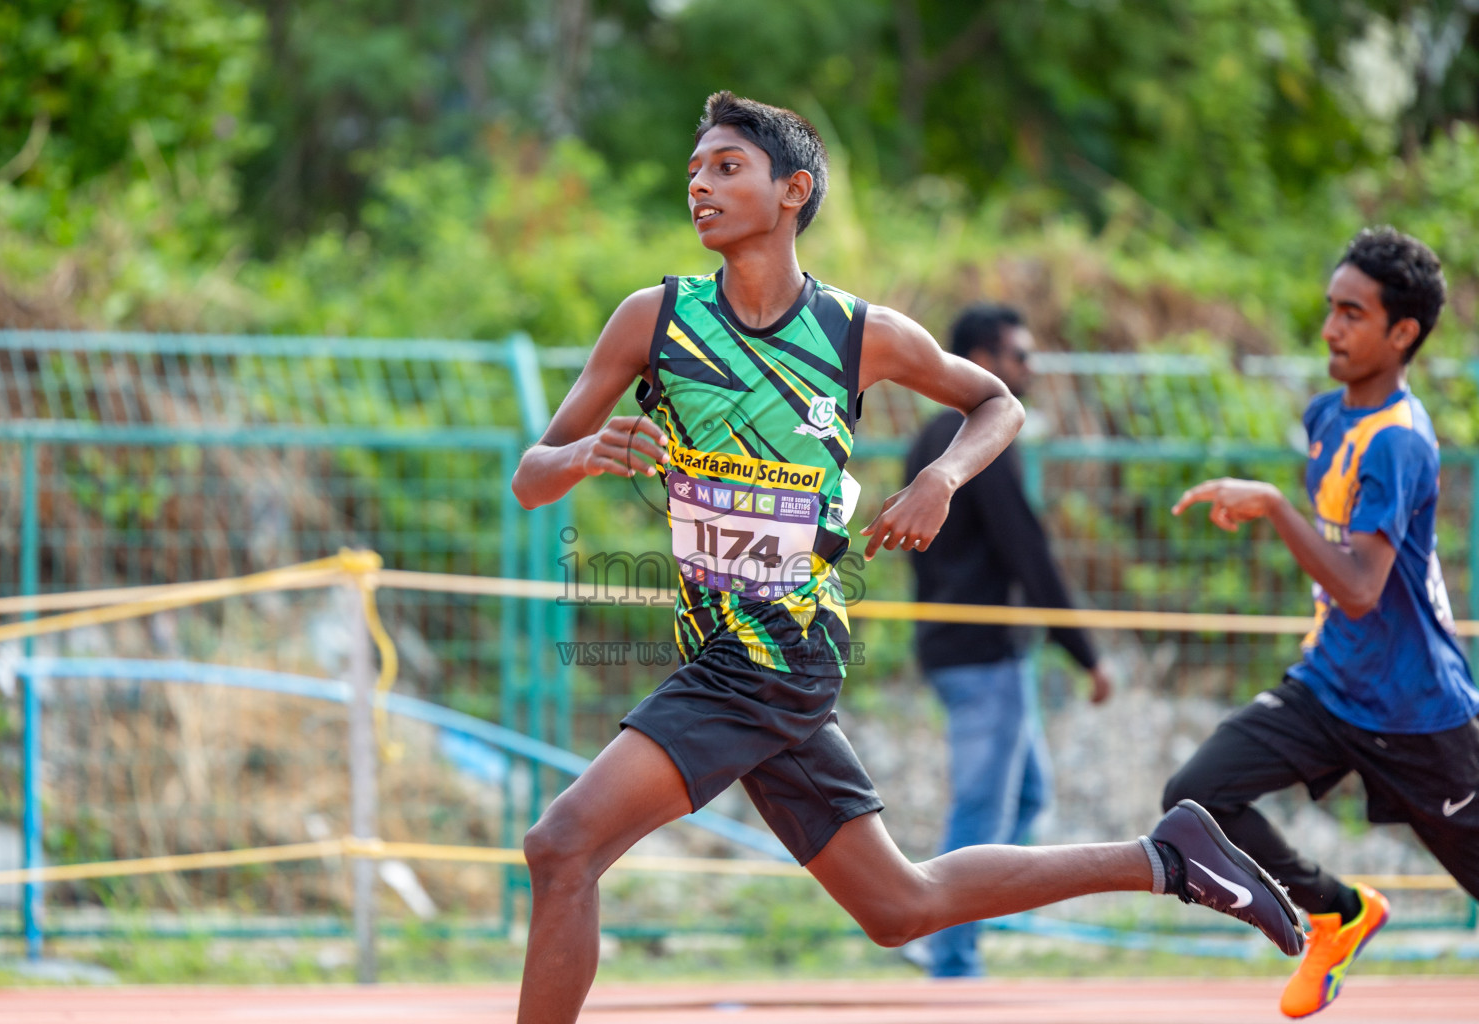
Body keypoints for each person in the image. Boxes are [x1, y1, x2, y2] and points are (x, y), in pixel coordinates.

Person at [510, 91, 1302, 1024]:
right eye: (694, 171)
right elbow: (530, 475)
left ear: (793, 190)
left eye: (726, 167)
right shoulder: (653, 320)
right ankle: (1165, 856)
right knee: (901, 906)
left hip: (778, 648)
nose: (701, 186)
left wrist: (941, 478)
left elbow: (997, 402)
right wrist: (580, 455)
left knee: (562, 846)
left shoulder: (857, 332)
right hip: (721, 652)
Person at [1167, 226, 1479, 1019]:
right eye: (1330, 309)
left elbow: (1362, 588)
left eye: (1352, 313)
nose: (1330, 329)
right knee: (1195, 797)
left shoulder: (1401, 443)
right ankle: (1337, 912)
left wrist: (1272, 506)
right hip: (1330, 683)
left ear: (1401, 333)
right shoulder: (1323, 417)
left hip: (1418, 711)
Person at [903, 303, 1114, 977]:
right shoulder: (976, 442)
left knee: (1023, 800)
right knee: (982, 807)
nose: (1029, 368)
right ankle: (948, 950)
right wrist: (1087, 655)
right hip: (980, 656)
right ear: (982, 361)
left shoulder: (930, 438)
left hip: (971, 650)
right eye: (1019, 355)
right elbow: (1031, 555)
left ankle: (937, 925)